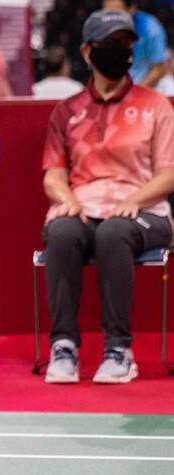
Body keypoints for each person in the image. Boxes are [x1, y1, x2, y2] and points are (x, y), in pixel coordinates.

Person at [41, 9, 174, 385]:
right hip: (86, 207)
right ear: (87, 52)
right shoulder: (67, 111)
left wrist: (136, 199)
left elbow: (169, 173)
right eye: (109, 45)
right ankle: (63, 345)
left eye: (124, 44)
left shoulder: (155, 105)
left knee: (113, 232)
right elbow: (53, 174)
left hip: (146, 211)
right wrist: (64, 197)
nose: (120, 51)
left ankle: (119, 349)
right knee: (62, 233)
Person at [103, 0, 168, 87]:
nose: (112, 20)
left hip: (145, 92)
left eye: (118, 14)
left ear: (132, 8)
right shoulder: (100, 30)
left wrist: (133, 93)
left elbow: (159, 70)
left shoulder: (150, 28)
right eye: (108, 14)